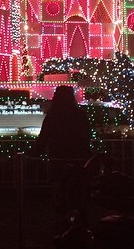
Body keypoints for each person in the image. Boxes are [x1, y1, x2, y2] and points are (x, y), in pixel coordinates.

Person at [32, 85, 92, 216]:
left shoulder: (53, 115)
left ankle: (61, 210)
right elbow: (87, 135)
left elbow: (44, 136)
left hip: (58, 156)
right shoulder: (80, 114)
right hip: (78, 157)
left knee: (59, 184)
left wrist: (36, 152)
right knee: (77, 186)